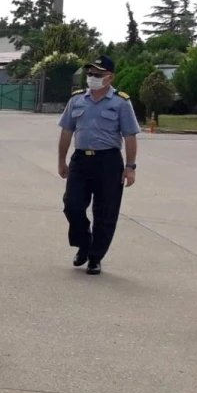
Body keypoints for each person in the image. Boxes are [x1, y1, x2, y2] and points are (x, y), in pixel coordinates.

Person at [57, 54, 139, 274]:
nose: (91, 77)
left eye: (97, 74)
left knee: (105, 212)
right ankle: (84, 244)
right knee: (72, 206)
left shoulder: (121, 102)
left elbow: (130, 136)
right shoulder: (76, 99)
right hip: (81, 160)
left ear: (109, 77)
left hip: (109, 162)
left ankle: (95, 257)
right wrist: (61, 160)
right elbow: (67, 130)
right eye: (90, 74)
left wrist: (130, 167)